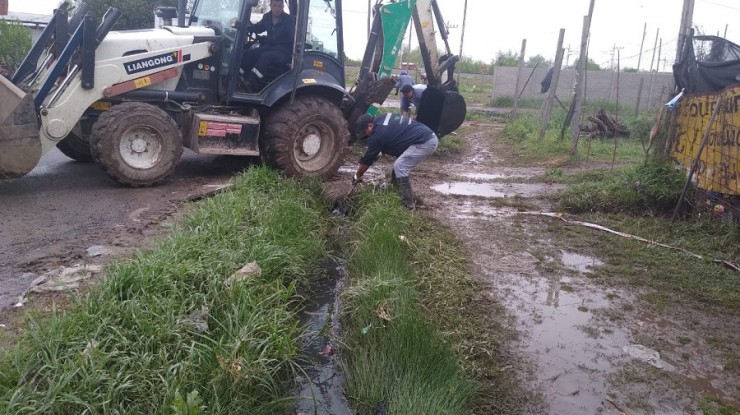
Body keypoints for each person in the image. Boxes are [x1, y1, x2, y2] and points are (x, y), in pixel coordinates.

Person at [352, 113, 438, 210]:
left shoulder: (378, 134)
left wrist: (357, 175)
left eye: (365, 132)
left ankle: (409, 205)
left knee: (400, 166)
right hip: (424, 136)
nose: (366, 136)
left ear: (370, 125)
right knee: (398, 166)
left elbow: (367, 160)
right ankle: (396, 192)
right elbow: (392, 136)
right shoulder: (382, 119)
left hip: (424, 142)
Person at [241, 0, 295, 92]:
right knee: (250, 53)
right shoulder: (267, 17)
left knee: (266, 56)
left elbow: (293, 37)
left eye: (280, 6)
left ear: (282, 7)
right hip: (270, 47)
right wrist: (247, 27)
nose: (277, 8)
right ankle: (239, 77)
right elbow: (259, 28)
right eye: (275, 5)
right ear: (270, 6)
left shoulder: (289, 20)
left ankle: (252, 82)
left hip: (283, 51)